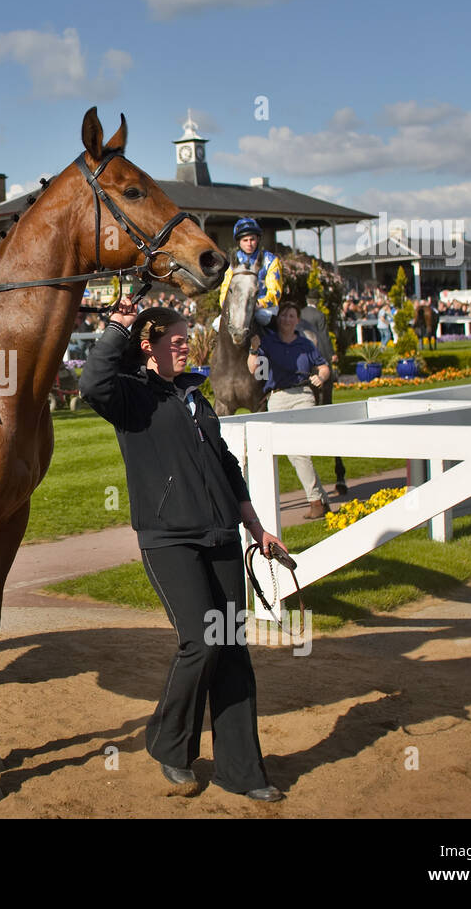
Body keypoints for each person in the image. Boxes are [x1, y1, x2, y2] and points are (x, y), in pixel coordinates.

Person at [80, 300, 287, 802]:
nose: (183, 344)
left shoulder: (196, 397)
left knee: (233, 649)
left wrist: (256, 527)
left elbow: (227, 464)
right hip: (169, 539)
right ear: (148, 349)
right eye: (173, 338)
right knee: (203, 642)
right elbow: (91, 383)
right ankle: (169, 743)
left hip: (222, 535)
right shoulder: (131, 395)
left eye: (184, 337)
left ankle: (242, 771)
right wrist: (117, 327)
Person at [249, 301, 330, 519]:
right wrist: (254, 350)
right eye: (284, 315)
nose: (287, 319)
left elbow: (323, 366)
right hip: (277, 398)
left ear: (297, 320)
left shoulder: (305, 344)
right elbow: (255, 369)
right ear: (278, 318)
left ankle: (315, 502)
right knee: (295, 453)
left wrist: (321, 376)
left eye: (291, 315)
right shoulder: (268, 342)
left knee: (298, 450)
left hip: (303, 396)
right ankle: (322, 499)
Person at [218, 218, 282, 332]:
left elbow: (275, 292)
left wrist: (257, 305)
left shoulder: (271, 260)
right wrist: (226, 306)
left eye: (252, 239)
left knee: (261, 317)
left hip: (263, 308)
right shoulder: (234, 262)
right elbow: (225, 289)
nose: (249, 243)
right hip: (238, 308)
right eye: (245, 240)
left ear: (258, 239)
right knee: (216, 324)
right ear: (239, 242)